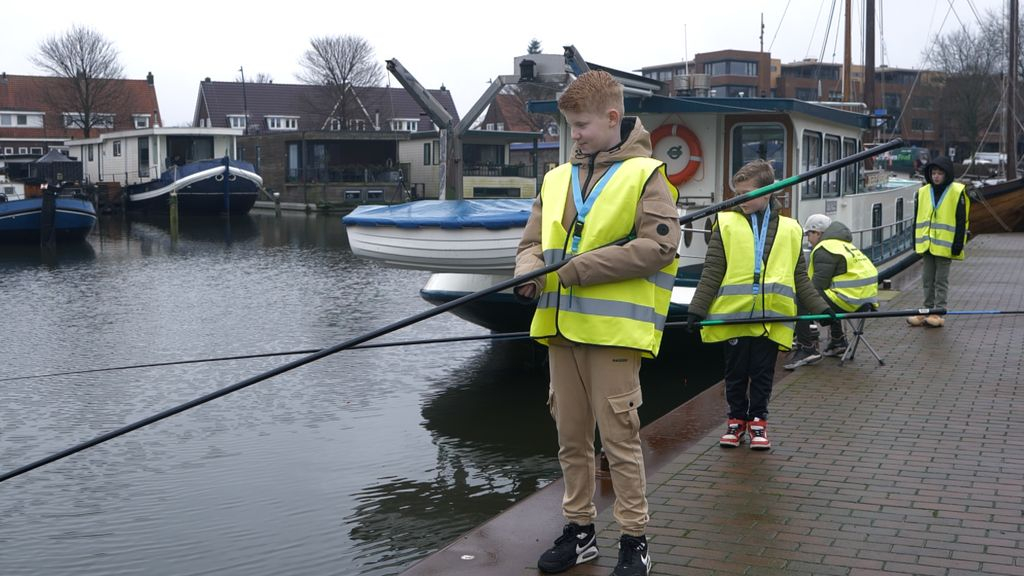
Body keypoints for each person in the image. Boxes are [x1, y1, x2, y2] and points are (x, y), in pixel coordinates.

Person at [513, 70, 680, 576]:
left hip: (612, 336)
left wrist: (579, 270)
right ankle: (580, 531)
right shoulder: (555, 178)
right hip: (560, 332)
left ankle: (635, 539)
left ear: (613, 118)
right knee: (571, 440)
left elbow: (660, 247)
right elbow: (530, 246)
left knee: (621, 442)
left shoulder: (647, 175)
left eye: (582, 125)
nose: (576, 135)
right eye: (570, 127)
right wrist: (528, 276)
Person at [686, 160, 830, 450]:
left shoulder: (791, 229)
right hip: (734, 317)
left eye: (747, 193)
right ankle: (736, 420)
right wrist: (697, 309)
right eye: (736, 193)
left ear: (768, 193)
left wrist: (820, 308)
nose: (740, 200)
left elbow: (798, 276)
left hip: (771, 319)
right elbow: (712, 271)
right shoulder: (724, 224)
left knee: (763, 374)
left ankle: (759, 423)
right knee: (735, 373)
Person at [784, 213, 879, 370]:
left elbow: (816, 288)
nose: (808, 239)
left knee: (803, 298)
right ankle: (838, 341)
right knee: (830, 295)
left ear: (818, 233)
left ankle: (806, 348)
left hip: (850, 302)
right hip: (867, 301)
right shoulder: (844, 245)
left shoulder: (824, 249)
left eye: (809, 234)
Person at [906, 156, 969, 328]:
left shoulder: (957, 192)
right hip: (927, 244)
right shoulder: (923, 191)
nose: (936, 176)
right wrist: (914, 240)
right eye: (933, 173)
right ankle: (926, 310)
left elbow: (961, 220)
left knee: (941, 280)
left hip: (945, 246)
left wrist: (958, 244)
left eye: (940, 173)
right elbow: (917, 217)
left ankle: (938, 311)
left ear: (947, 174)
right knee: (927, 279)